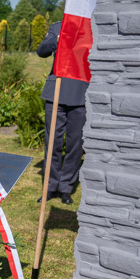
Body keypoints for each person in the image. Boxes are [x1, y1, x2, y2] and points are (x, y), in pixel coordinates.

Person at [37, 21, 87, 205]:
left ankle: (65, 187)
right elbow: (41, 51)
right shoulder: (57, 26)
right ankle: (50, 186)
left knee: (75, 143)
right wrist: (56, 41)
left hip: (81, 92)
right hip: (56, 91)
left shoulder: (91, 27)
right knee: (53, 143)